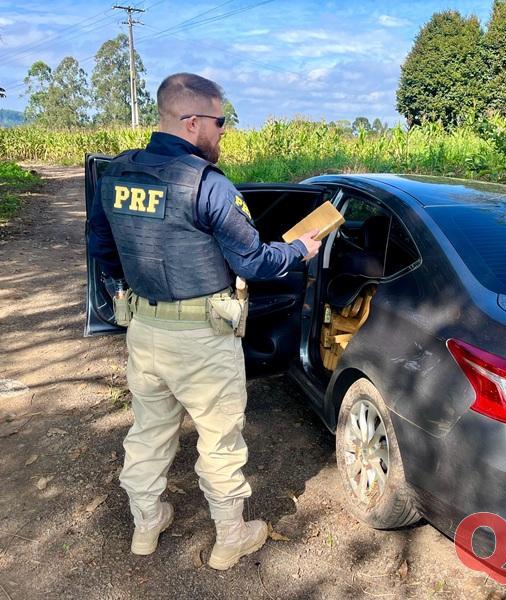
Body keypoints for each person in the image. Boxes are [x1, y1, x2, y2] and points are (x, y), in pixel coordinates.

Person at [87, 72, 321, 570]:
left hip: (144, 333)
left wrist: (135, 290)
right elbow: (254, 263)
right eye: (220, 122)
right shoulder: (208, 185)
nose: (222, 132)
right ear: (191, 121)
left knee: (149, 432)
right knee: (219, 440)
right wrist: (300, 249)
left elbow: (102, 251)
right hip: (202, 338)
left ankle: (146, 526)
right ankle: (231, 538)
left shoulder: (117, 174)